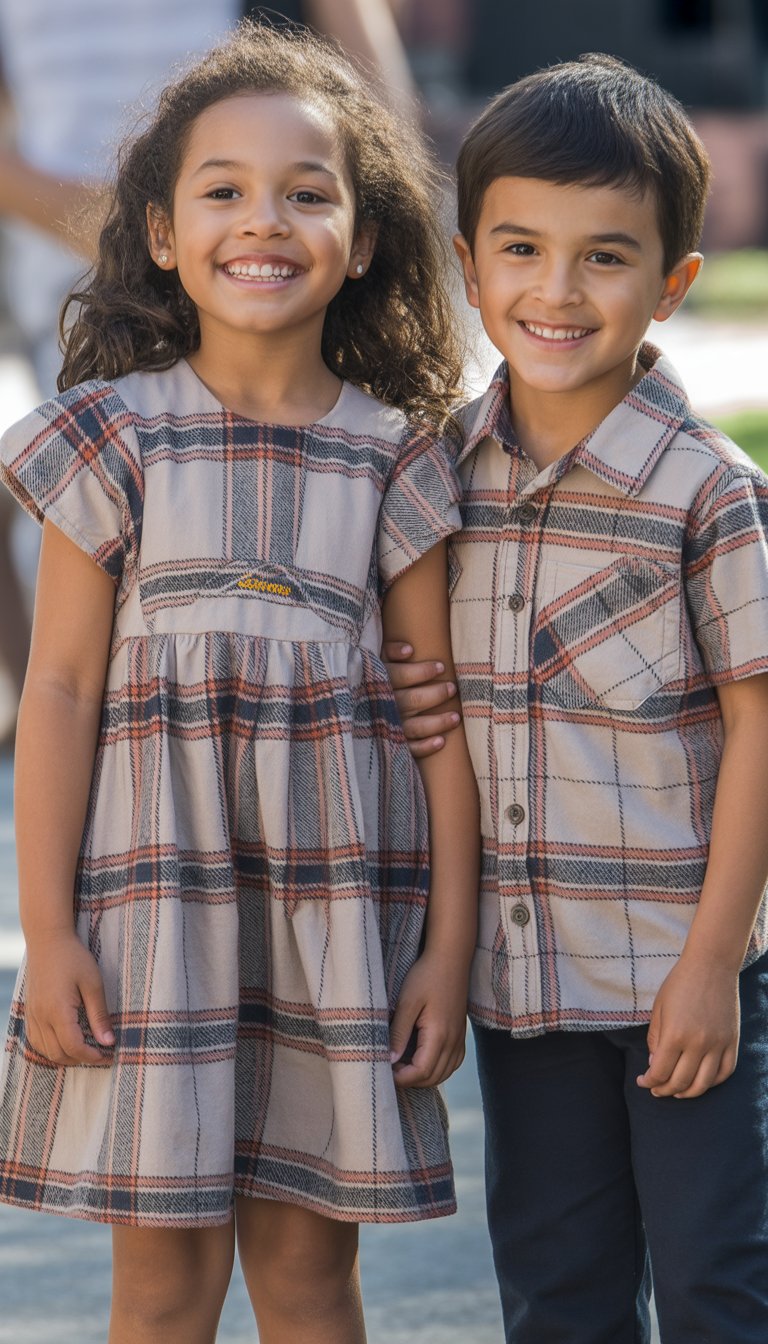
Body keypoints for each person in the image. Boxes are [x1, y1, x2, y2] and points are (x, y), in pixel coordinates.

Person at [0, 23, 479, 1344]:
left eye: (306, 192)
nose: (263, 219)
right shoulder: (112, 437)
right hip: (151, 935)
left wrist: (445, 952)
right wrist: (50, 935)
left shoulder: (395, 457)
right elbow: (59, 693)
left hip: (335, 939)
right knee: (161, 1292)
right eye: (223, 190)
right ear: (162, 234)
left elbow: (436, 718)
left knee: (312, 1283)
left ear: (364, 240)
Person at [386, 54, 768, 1343]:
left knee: (720, 1290)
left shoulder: (707, 493)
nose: (556, 291)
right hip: (528, 988)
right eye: (521, 250)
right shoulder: (442, 475)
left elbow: (761, 727)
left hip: (684, 978)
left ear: (673, 283)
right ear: (469, 264)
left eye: (604, 257)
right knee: (558, 1296)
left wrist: (713, 967)